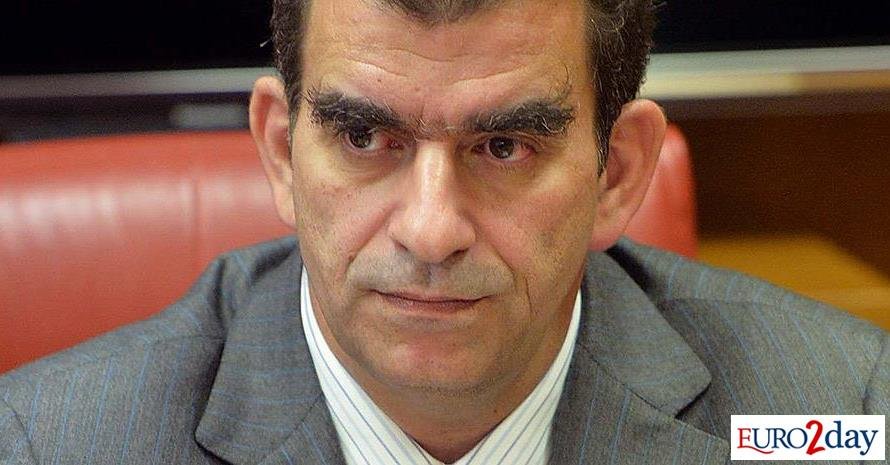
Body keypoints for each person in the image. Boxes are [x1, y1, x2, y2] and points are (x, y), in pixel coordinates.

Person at [1, 0, 887, 463]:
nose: (430, 232)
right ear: (281, 153)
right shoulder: (52, 444)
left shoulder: (836, 417)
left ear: (616, 172)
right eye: (364, 136)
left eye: (504, 146)